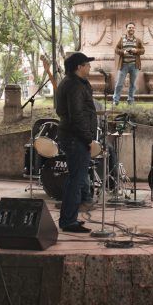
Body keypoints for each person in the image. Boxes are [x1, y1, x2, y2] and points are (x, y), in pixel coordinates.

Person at [55, 52, 97, 233]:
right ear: (79, 67)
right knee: (76, 180)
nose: (90, 67)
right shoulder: (74, 86)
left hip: (73, 136)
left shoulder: (74, 83)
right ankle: (68, 221)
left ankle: (69, 218)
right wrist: (88, 139)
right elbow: (77, 116)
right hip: (75, 138)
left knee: (75, 179)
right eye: (87, 64)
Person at [113, 22, 145, 106]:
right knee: (119, 84)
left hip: (134, 65)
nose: (131, 29)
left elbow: (143, 50)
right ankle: (115, 100)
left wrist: (136, 50)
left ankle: (130, 101)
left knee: (133, 84)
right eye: (129, 27)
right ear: (126, 29)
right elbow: (116, 49)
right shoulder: (122, 39)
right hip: (123, 65)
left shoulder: (137, 40)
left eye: (133, 28)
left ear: (134, 29)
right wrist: (123, 52)